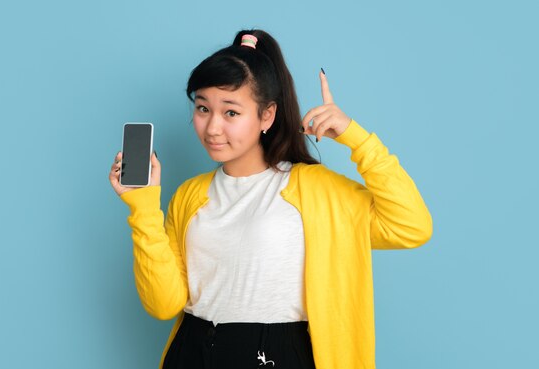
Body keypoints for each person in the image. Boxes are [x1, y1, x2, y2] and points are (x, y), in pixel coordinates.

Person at [108, 29, 432, 369]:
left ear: (267, 115)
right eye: (203, 108)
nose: (212, 127)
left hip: (274, 354)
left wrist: (355, 137)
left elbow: (411, 226)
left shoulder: (313, 189)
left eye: (231, 112)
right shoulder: (189, 195)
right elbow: (163, 304)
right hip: (192, 350)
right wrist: (142, 207)